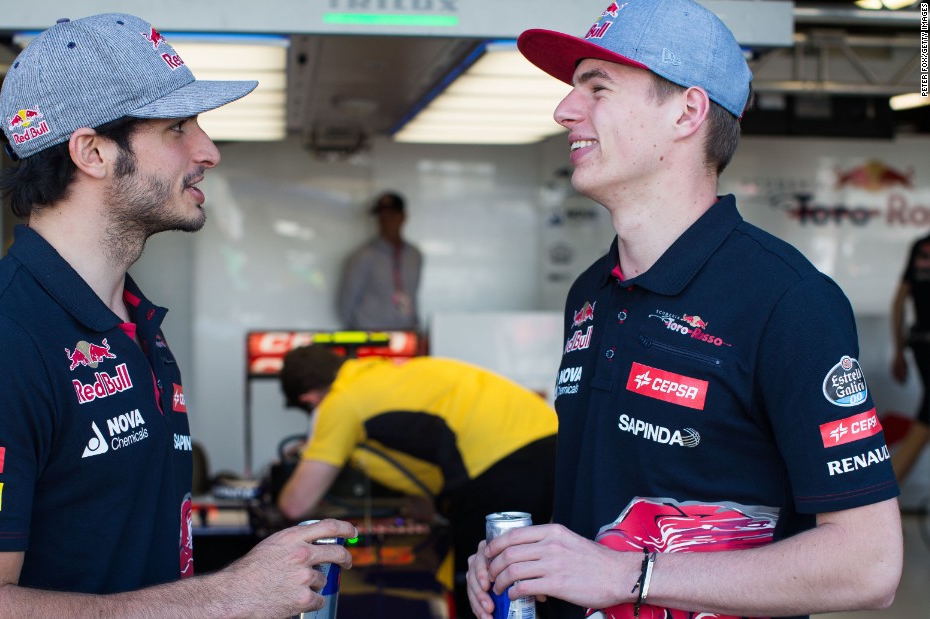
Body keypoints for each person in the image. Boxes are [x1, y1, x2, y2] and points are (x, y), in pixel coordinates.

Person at [467, 1, 904, 618]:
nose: (564, 110)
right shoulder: (591, 293)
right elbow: (607, 507)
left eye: (597, 87)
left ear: (687, 112)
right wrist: (525, 561)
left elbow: (869, 564)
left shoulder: (788, 301)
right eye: (572, 90)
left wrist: (628, 576)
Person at [0, 13, 354, 618]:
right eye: (178, 126)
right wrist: (227, 597)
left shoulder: (134, 320)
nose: (209, 151)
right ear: (92, 152)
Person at [277, 344, 557, 619]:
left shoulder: (341, 400)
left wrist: (306, 456)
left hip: (502, 465)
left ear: (309, 400)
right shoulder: (374, 377)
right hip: (550, 444)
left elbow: (296, 504)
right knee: (536, 580)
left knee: (484, 590)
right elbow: (420, 444)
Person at [338, 191, 424, 330]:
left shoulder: (414, 255)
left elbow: (412, 295)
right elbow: (346, 304)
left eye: (391, 215)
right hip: (371, 334)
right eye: (381, 216)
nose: (385, 220)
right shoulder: (363, 256)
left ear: (403, 217)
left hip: (406, 333)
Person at [890, 233, 930, 482]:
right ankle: (876, 499)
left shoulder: (920, 245)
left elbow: (899, 300)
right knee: (925, 421)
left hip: (920, 344)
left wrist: (899, 349)